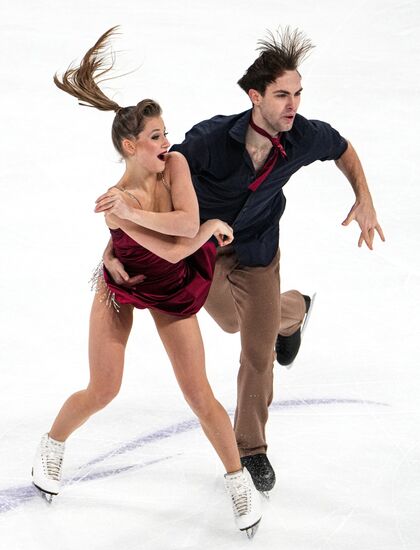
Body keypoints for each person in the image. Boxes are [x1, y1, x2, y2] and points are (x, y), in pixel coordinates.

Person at [104, 27, 385, 494]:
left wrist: (365, 197)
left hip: (257, 249)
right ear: (256, 97)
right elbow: (151, 187)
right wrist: (114, 244)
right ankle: (293, 312)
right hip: (204, 250)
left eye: (297, 93)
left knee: (256, 351)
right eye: (282, 95)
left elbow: (342, 148)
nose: (293, 105)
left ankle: (250, 448)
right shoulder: (209, 141)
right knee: (232, 322)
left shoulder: (303, 136)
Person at [31, 27, 262, 538]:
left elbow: (184, 228)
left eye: (165, 132)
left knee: (199, 394)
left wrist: (198, 223)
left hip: (171, 288)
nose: (166, 142)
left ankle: (237, 479)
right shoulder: (113, 202)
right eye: (156, 136)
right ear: (130, 146)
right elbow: (176, 244)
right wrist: (125, 231)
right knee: (103, 388)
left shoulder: (174, 165)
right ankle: (52, 445)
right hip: (121, 287)